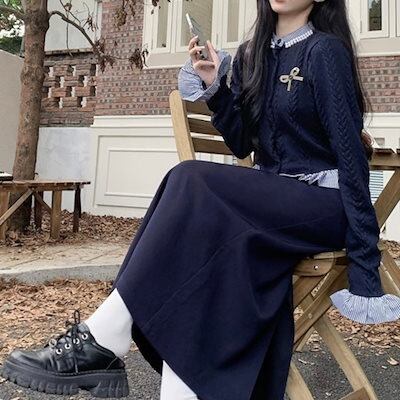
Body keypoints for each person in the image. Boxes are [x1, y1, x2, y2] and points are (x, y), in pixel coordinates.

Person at [2, 0, 400, 399]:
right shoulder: (252, 55)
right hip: (271, 204)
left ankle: (105, 335)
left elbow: (350, 155)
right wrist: (216, 87)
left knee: (189, 179)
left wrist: (364, 258)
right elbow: (242, 143)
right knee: (205, 254)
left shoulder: (324, 50)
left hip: (323, 205)